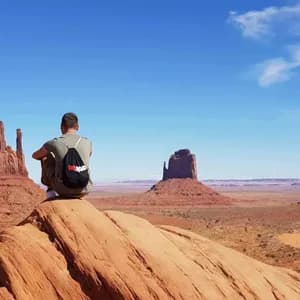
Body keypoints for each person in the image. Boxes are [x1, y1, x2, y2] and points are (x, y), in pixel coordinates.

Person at [32, 112, 92, 199]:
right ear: (77, 127)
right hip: (85, 188)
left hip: (63, 189)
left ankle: (50, 191)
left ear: (61, 127)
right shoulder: (87, 142)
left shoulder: (54, 143)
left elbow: (35, 156)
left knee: (45, 156)